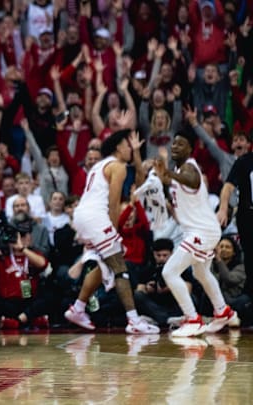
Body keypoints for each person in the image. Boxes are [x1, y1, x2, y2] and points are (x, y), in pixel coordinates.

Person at [64, 130, 160, 334]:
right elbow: (113, 202)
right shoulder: (118, 166)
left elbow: (139, 178)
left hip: (82, 216)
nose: (130, 150)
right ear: (118, 147)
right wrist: (114, 231)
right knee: (120, 268)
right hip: (97, 217)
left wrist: (135, 151)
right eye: (127, 146)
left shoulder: (101, 164)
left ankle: (78, 308)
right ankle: (134, 320)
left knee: (103, 264)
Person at [153, 132, 239, 337]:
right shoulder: (177, 169)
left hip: (203, 231)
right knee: (201, 273)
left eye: (180, 144)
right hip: (197, 230)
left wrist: (169, 174)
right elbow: (171, 181)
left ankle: (193, 319)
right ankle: (223, 312)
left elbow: (191, 181)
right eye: (173, 143)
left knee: (169, 272)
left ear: (190, 149)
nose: (175, 146)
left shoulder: (190, 167)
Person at [218, 150, 253, 298]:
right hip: (248, 214)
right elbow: (228, 186)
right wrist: (223, 208)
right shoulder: (244, 161)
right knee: (250, 259)